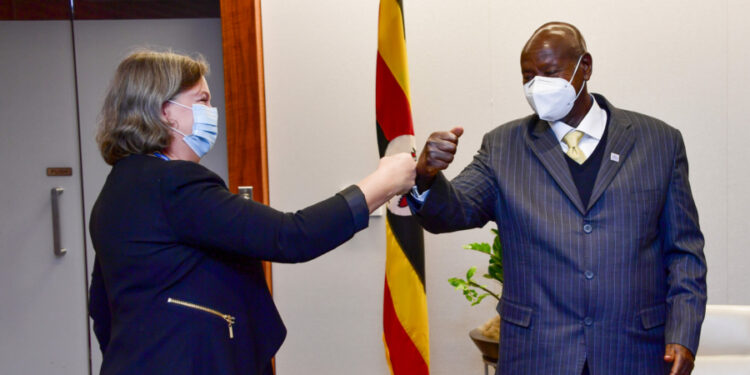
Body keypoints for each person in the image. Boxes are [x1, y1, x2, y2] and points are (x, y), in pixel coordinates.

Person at [88, 50, 416, 375]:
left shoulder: (120, 186)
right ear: (164, 112)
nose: (212, 111)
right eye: (202, 100)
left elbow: (103, 310)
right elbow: (290, 236)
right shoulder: (172, 183)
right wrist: (381, 184)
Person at [409, 23, 706, 375]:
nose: (538, 86)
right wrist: (426, 175)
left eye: (550, 72)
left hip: (634, 352)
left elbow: (684, 252)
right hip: (537, 354)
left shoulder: (659, 142)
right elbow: (452, 212)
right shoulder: (503, 147)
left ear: (586, 67)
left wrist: (683, 333)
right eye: (528, 76)